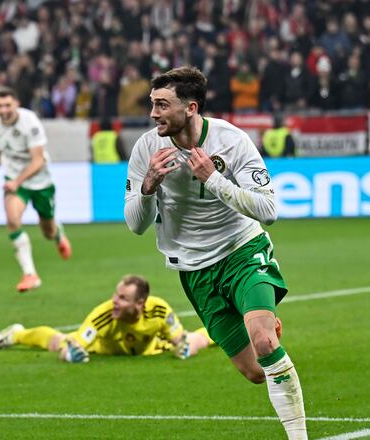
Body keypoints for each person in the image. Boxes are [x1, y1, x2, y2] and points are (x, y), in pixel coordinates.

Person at [124, 66, 306, 439]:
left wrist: (214, 179)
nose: (153, 114)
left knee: (265, 342)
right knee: (256, 372)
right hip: (193, 268)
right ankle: (263, 330)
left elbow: (269, 211)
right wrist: (147, 187)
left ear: (190, 108)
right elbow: (135, 225)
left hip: (242, 250)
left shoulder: (232, 141)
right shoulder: (146, 148)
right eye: (152, 105)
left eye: (162, 105)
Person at [0, 274, 214, 363]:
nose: (114, 301)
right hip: (103, 349)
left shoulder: (159, 310)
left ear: (139, 304)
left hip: (150, 347)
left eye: (122, 298)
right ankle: (16, 334)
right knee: (58, 341)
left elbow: (181, 340)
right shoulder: (104, 315)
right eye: (115, 294)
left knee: (198, 339)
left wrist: (185, 348)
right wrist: (72, 354)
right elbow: (72, 348)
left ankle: (235, 331)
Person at [0, 87, 72, 293]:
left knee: (47, 231)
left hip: (40, 183)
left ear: (17, 104)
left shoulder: (30, 123)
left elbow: (38, 160)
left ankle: (58, 234)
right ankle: (30, 273)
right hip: (14, 179)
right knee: (13, 220)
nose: (3, 110)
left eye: (7, 105)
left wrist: (17, 181)